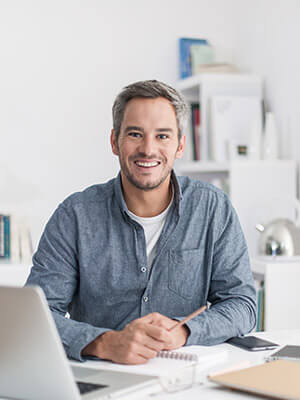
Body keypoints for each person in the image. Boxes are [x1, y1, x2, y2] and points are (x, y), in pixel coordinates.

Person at [26, 80, 257, 365]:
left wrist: (184, 331)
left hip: (183, 377)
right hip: (102, 377)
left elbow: (242, 305)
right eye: (135, 134)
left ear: (180, 144)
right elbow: (34, 317)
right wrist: (105, 343)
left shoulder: (212, 208)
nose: (148, 149)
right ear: (114, 141)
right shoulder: (74, 216)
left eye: (162, 136)